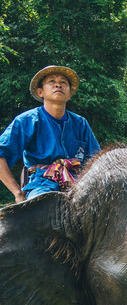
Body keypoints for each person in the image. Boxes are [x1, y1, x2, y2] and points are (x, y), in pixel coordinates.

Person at [0, 65, 100, 203]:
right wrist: (17, 193)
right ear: (40, 92)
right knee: (40, 210)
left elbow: (97, 161)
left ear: (70, 94)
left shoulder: (80, 123)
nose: (58, 84)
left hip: (78, 185)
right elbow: (1, 155)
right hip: (41, 184)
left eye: (63, 82)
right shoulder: (28, 120)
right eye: (51, 81)